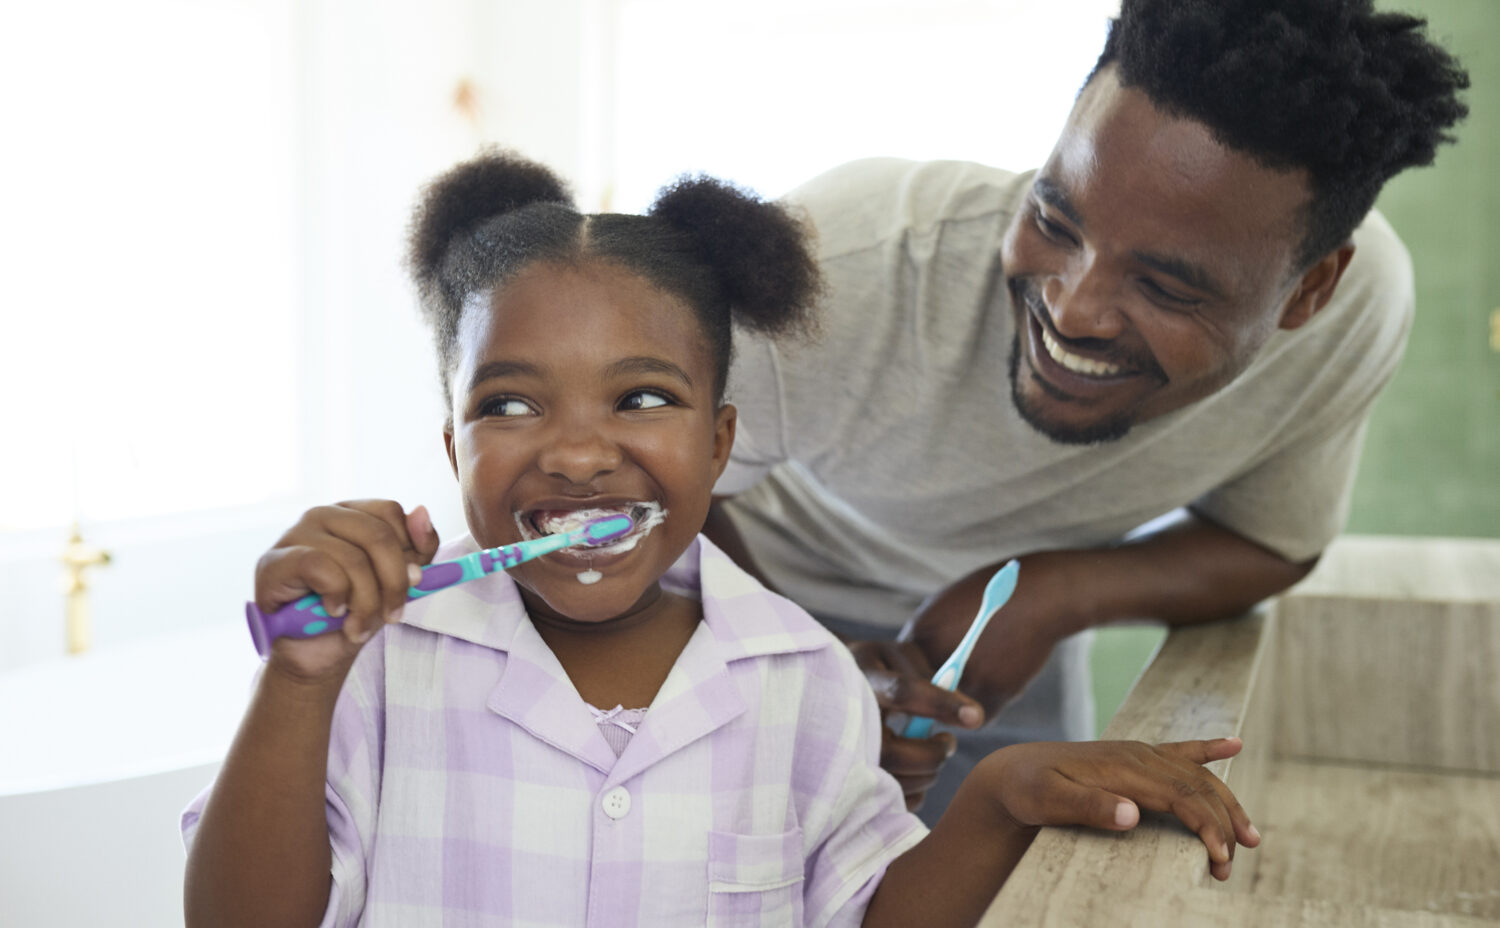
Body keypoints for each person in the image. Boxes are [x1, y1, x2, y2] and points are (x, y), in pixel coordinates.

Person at [181, 149, 1258, 928]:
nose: (577, 452)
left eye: (642, 398)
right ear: (454, 448)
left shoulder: (803, 677)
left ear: (719, 442)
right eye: (509, 406)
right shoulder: (371, 665)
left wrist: (1001, 792)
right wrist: (299, 675)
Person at [702, 0, 1471, 816]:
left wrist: (1052, 592)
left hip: (1002, 641)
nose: (1072, 309)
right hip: (736, 597)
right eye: (1056, 219)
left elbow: (1272, 542)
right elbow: (647, 504)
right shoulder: (839, 263)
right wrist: (804, 659)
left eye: (1165, 284)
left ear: (1309, 292)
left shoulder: (1359, 310)